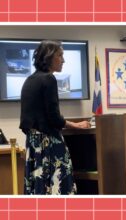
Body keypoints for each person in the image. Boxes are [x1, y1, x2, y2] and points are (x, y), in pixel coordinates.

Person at [20, 40, 91, 195]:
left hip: (34, 146)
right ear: (49, 57)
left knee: (38, 190)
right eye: (60, 55)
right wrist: (76, 125)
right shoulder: (48, 79)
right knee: (59, 188)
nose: (63, 60)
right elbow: (54, 119)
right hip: (48, 144)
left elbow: (26, 121)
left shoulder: (29, 80)